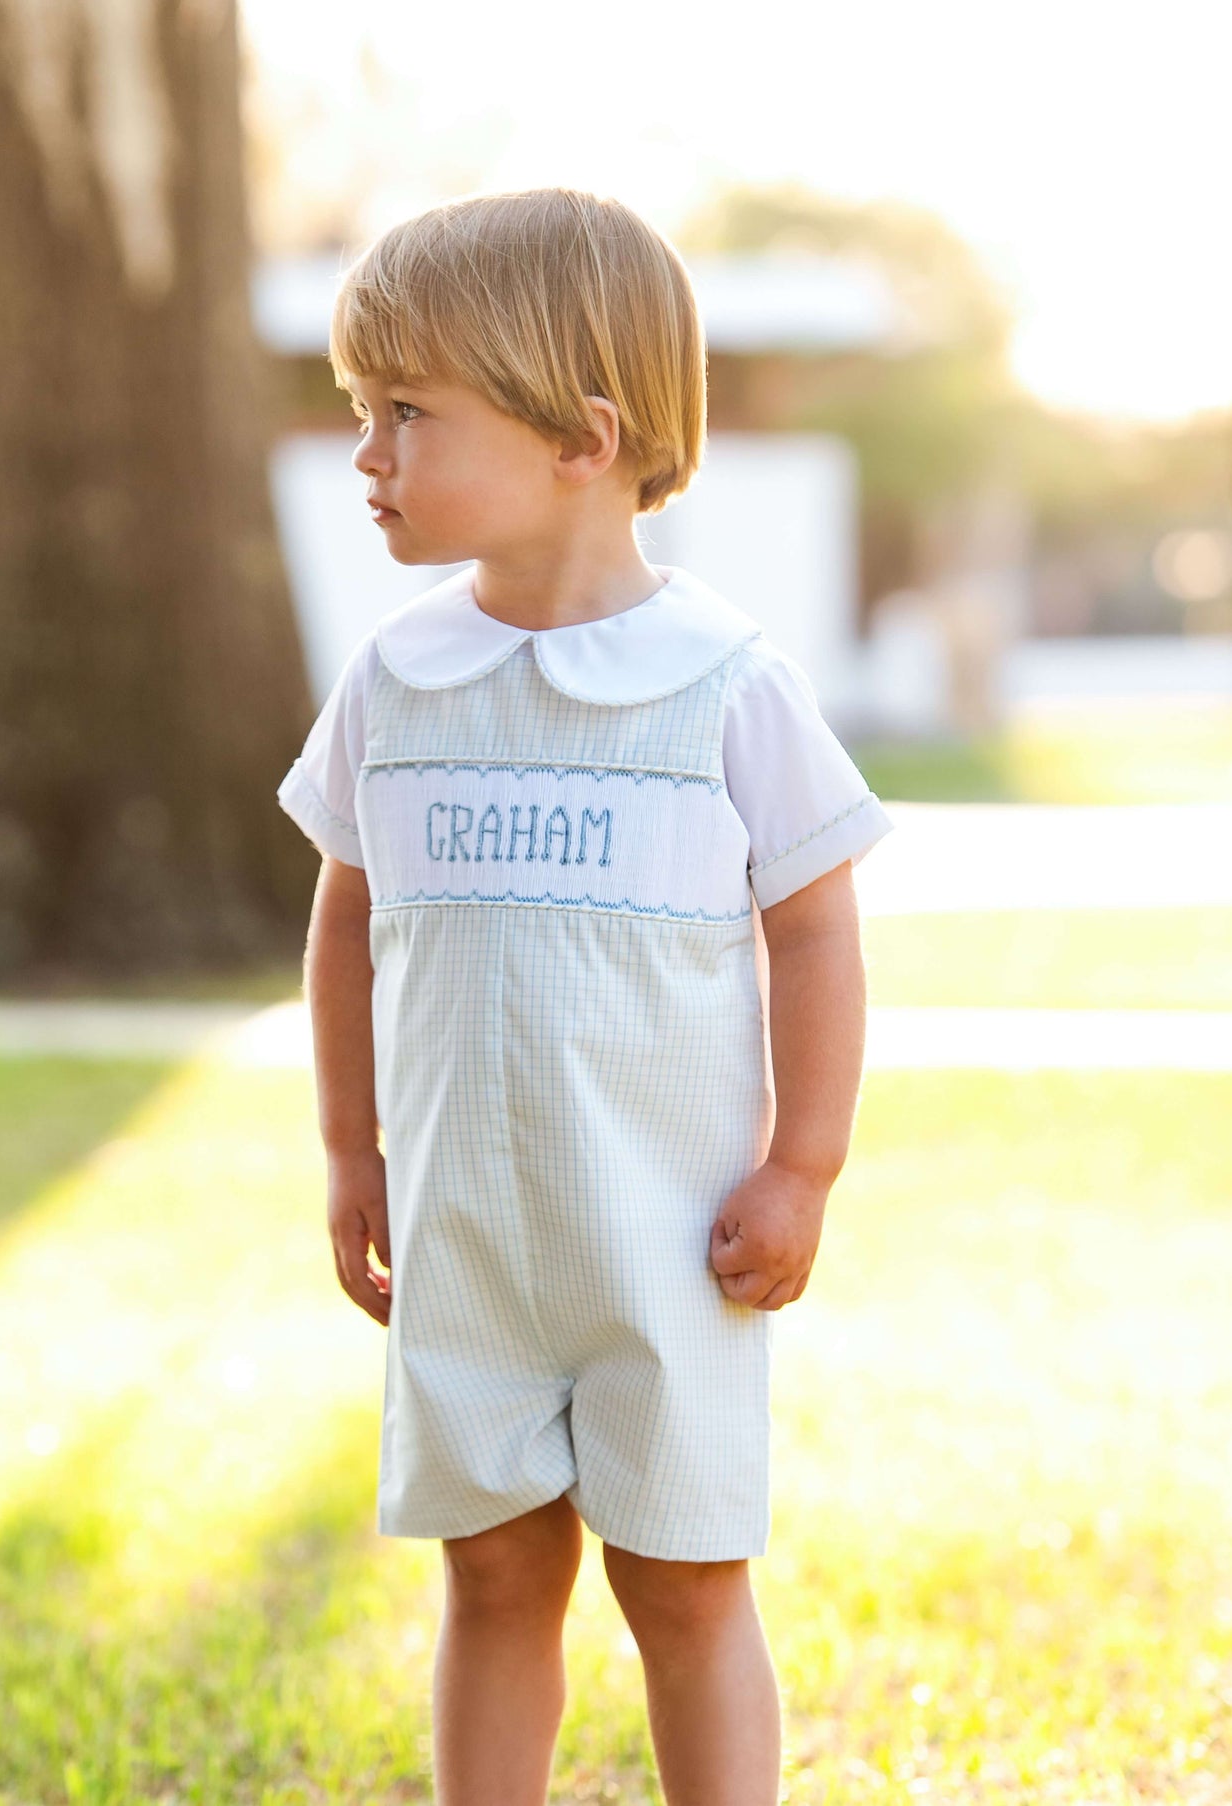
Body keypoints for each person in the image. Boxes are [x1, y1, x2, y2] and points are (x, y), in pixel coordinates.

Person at [276, 186, 896, 1806]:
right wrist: (352, 1154)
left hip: (668, 1247)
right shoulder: (394, 678)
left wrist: (801, 1162)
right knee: (488, 1579)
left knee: (681, 1588)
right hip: (468, 1243)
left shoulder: (723, 683)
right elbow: (346, 920)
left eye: (406, 412)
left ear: (580, 435)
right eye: (363, 412)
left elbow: (817, 933)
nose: (368, 455)